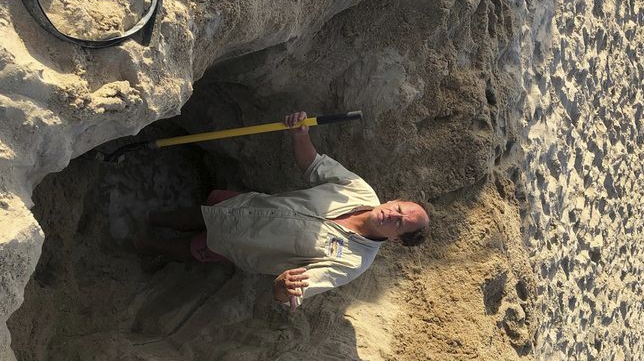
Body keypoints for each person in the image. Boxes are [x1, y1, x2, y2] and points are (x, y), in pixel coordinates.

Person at [134, 111, 430, 310]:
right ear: (394, 200)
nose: (394, 216)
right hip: (248, 206)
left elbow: (294, 291)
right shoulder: (360, 190)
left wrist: (283, 286)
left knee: (194, 246)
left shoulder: (353, 262)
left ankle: (145, 243)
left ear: (396, 240)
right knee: (198, 214)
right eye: (400, 209)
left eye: (401, 225)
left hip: (241, 246)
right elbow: (313, 165)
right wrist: (300, 134)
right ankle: (147, 216)